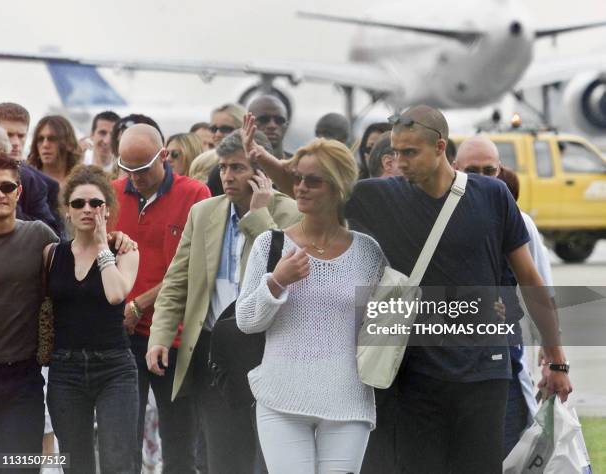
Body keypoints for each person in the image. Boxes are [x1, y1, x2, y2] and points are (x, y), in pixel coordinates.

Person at [343, 105, 571, 473]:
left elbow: (531, 279)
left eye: (409, 152)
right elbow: (311, 190)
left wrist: (556, 358)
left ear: (439, 147)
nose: (399, 162)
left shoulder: (493, 196)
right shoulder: (384, 197)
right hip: (415, 377)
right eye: (394, 153)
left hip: (485, 373)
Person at [146, 129, 299, 474]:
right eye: (225, 167)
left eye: (238, 168)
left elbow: (285, 271)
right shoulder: (204, 213)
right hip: (216, 357)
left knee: (272, 459)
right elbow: (176, 282)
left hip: (271, 353)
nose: (227, 176)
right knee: (223, 460)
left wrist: (259, 215)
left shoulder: (290, 213)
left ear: (261, 171)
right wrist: (159, 336)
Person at [236, 135, 387, 474]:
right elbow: (246, 320)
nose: (300, 187)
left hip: (348, 397)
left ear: (338, 188)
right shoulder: (271, 243)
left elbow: (379, 332)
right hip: (281, 396)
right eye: (298, 177)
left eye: (313, 181)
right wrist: (276, 281)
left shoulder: (368, 252)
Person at [113, 124, 211, 473]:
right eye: (128, 171)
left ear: (164, 157)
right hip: (122, 338)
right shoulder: (113, 193)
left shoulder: (195, 194)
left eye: (142, 170)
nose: (134, 179)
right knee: (124, 438)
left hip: (173, 336)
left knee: (179, 441)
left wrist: (139, 304)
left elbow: (191, 269)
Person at [454, 137, 555, 456]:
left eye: (489, 170)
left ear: (501, 172)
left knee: (509, 450)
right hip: (446, 358)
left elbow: (540, 287)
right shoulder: (437, 218)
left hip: (502, 356)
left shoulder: (518, 221)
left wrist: (554, 357)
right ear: (455, 169)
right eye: (473, 170)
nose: (482, 178)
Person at [45, 165, 140, 474]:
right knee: (75, 463)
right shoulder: (51, 253)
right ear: (67, 211)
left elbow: (116, 295)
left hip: (114, 366)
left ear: (108, 209)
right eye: (78, 203)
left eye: (96, 203)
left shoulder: (124, 251)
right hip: (65, 368)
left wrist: (102, 247)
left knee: (117, 461)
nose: (87, 209)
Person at [0, 152, 58, 474]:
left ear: (19, 192)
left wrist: (113, 242)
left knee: (18, 467)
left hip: (23, 379)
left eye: (7, 186)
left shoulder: (39, 236)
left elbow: (76, 273)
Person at [0, 103, 62, 235]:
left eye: (21, 136)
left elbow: (54, 236)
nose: (15, 143)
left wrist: (9, 200)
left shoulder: (39, 183)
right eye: (9, 134)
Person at [189, 103, 246, 183]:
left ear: (244, 129)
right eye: (213, 129)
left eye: (226, 129)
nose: (217, 134)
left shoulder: (257, 161)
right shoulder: (204, 163)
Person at [27, 115, 82, 184]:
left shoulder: (81, 181)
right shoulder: (28, 181)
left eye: (52, 139)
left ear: (68, 144)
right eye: (40, 139)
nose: (45, 145)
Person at [248, 95, 291, 159]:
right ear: (248, 124)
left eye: (279, 120)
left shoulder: (299, 167)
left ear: (286, 127)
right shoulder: (232, 165)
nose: (272, 126)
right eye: (263, 120)